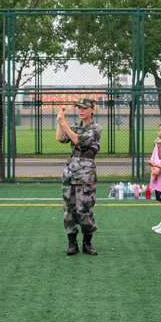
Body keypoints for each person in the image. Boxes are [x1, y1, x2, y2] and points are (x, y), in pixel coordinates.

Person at [56, 99, 102, 256]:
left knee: (85, 209)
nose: (81, 111)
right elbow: (60, 139)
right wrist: (60, 121)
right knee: (69, 209)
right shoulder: (75, 127)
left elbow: (77, 140)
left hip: (86, 174)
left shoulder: (96, 128)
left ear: (92, 110)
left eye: (84, 108)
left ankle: (87, 243)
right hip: (70, 172)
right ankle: (72, 243)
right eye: (79, 108)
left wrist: (64, 123)